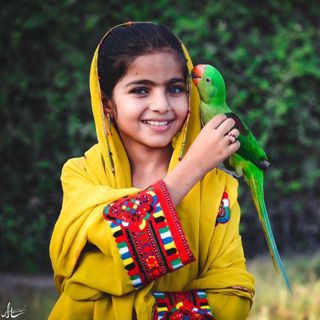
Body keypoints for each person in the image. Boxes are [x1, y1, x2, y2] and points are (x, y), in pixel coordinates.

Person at [49, 21, 255, 320]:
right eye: (141, 90)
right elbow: (82, 277)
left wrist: (135, 306)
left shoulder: (217, 187)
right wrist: (193, 167)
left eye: (174, 88)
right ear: (107, 104)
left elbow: (232, 296)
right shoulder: (82, 174)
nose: (161, 105)